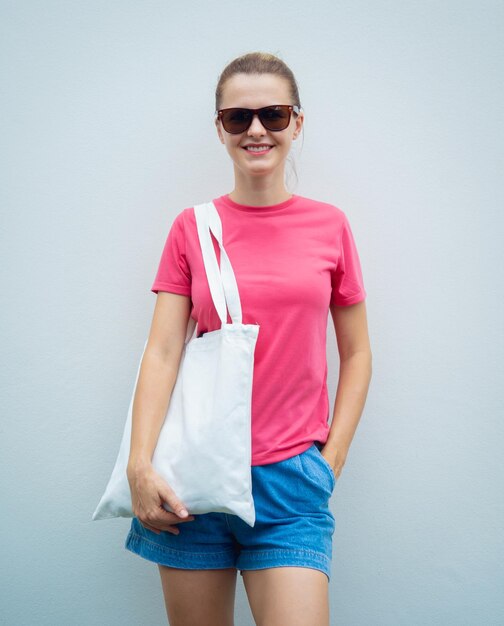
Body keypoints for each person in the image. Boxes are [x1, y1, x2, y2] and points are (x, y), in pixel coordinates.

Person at [124, 51, 372, 626]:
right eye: (238, 118)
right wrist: (140, 467)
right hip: (190, 484)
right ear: (220, 128)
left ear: (297, 123)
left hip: (291, 485)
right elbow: (162, 352)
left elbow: (357, 353)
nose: (256, 129)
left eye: (274, 115)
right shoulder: (192, 228)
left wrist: (329, 462)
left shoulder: (329, 226)